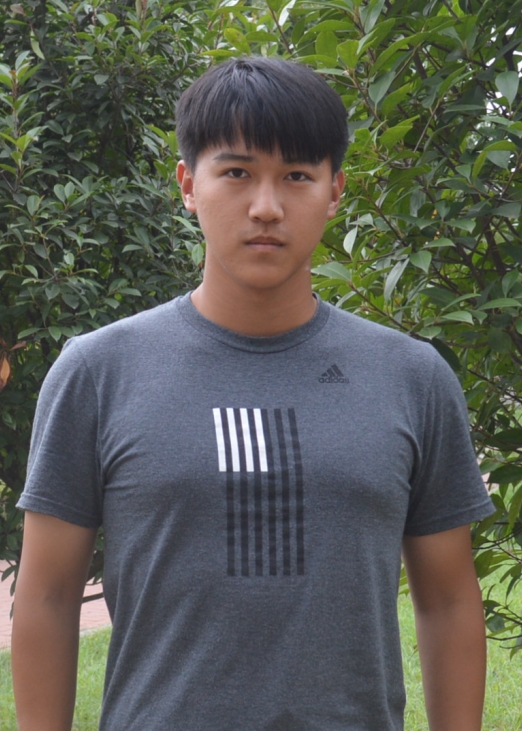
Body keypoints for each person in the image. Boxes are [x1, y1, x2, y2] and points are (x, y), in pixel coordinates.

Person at [12, 56, 494, 731]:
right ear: (188, 185)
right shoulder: (97, 371)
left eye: (297, 175)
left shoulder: (412, 377)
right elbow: (47, 594)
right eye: (236, 172)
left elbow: (447, 599)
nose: (266, 206)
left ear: (335, 191)